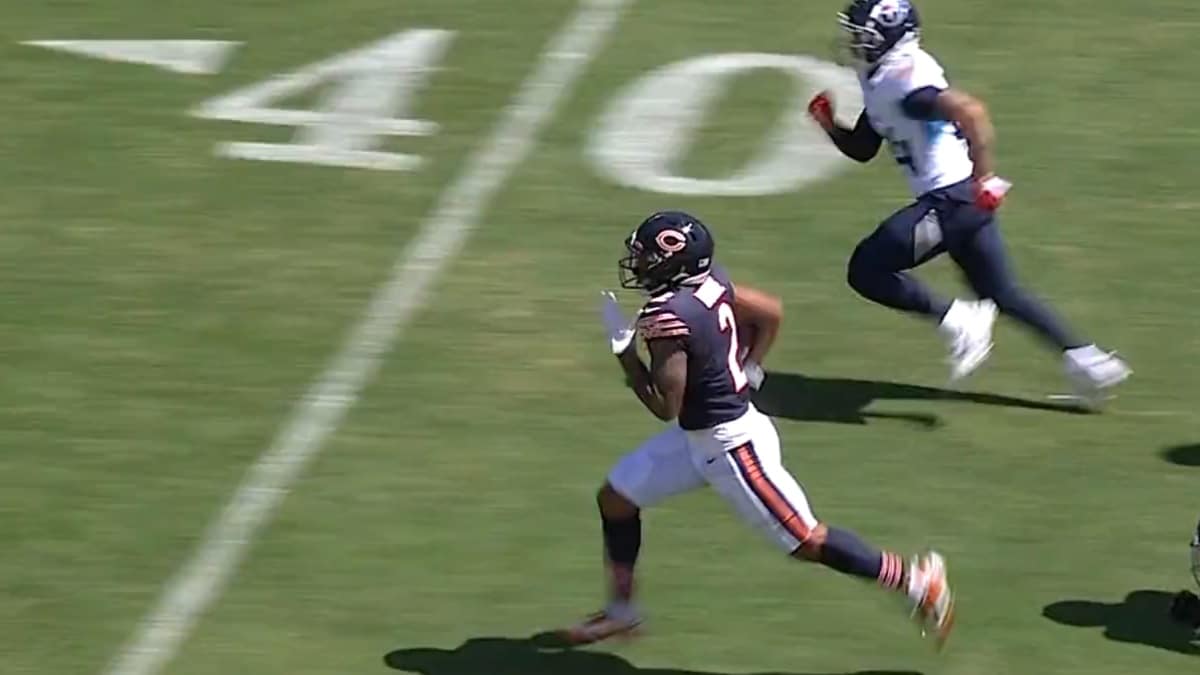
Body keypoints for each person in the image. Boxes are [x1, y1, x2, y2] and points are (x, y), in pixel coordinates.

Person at [558, 210, 954, 648]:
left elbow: (663, 406)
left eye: (648, 257)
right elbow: (769, 312)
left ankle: (916, 581)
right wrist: (750, 367)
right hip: (703, 437)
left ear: (676, 263)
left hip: (731, 448)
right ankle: (622, 612)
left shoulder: (665, 316)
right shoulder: (712, 284)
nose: (640, 264)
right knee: (616, 499)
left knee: (806, 540)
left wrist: (625, 355)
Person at [808, 0, 1130, 402]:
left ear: (892, 38)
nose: (855, 43)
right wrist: (828, 123)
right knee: (1003, 292)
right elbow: (863, 146)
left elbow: (970, 111)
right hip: (961, 202)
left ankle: (959, 318)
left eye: (865, 37)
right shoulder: (884, 77)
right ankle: (1090, 361)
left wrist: (985, 177)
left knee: (866, 269)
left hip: (953, 199)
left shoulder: (903, 82)